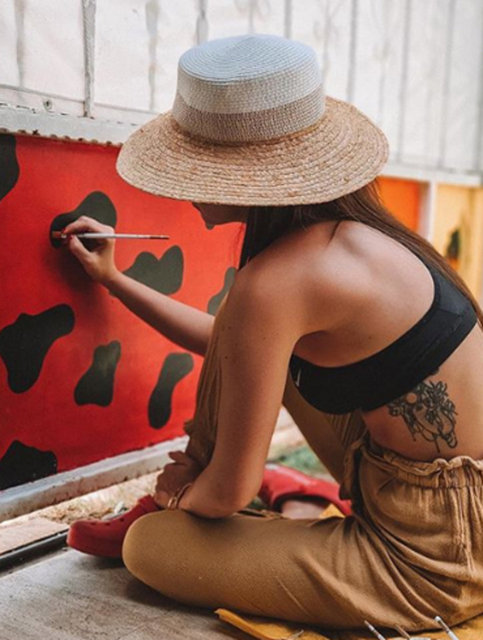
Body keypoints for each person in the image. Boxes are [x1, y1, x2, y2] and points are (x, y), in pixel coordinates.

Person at [62, 34, 483, 633]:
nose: (182, 187)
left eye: (194, 165)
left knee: (149, 548)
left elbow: (228, 494)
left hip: (436, 564)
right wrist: (113, 279)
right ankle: (287, 494)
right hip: (433, 496)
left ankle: (189, 504)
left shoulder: (276, 282)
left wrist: (181, 496)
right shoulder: (360, 235)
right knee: (248, 344)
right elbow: (233, 344)